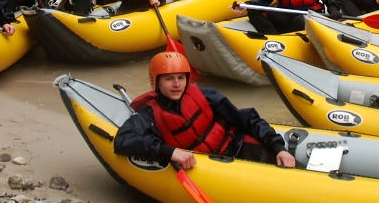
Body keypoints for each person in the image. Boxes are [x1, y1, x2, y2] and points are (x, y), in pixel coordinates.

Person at [114, 52, 297, 168]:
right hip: (208, 168)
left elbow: (248, 119)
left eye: (181, 77)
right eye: (169, 79)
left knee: (295, 168)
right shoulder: (149, 114)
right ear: (156, 82)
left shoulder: (207, 96)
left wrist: (278, 148)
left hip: (238, 147)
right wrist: (170, 152)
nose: (177, 84)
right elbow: (123, 140)